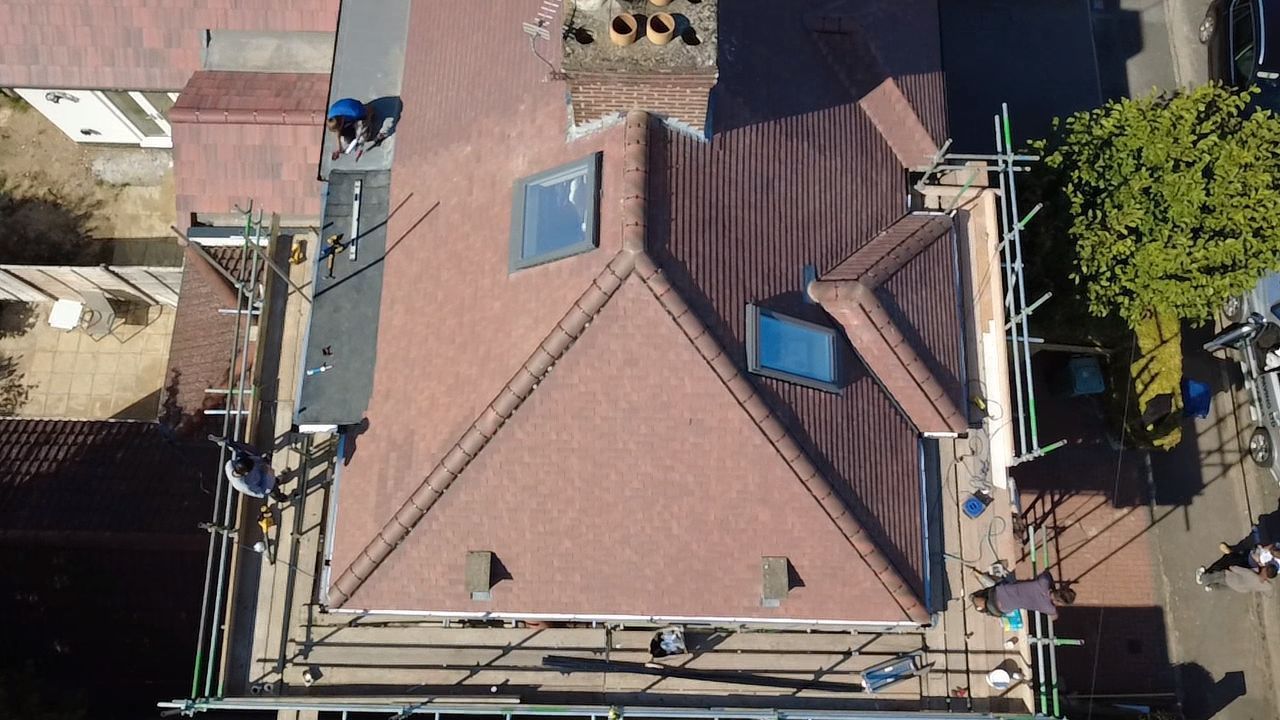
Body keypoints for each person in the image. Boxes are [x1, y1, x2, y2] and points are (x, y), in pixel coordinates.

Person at [209, 434, 288, 502]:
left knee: (243, 452)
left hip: (258, 467)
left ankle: (229, 443)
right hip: (263, 481)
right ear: (247, 473)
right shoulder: (246, 485)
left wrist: (260, 460)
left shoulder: (229, 465)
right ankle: (281, 497)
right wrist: (268, 475)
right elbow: (261, 492)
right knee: (273, 489)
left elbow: (245, 459)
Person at [970, 571, 1076, 619]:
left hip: (998, 590)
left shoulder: (1044, 582)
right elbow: (1054, 617)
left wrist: (1052, 587)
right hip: (1001, 608)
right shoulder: (1049, 608)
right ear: (1059, 602)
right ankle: (977, 601)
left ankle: (976, 598)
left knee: (990, 590)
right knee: (991, 609)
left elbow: (1047, 574)